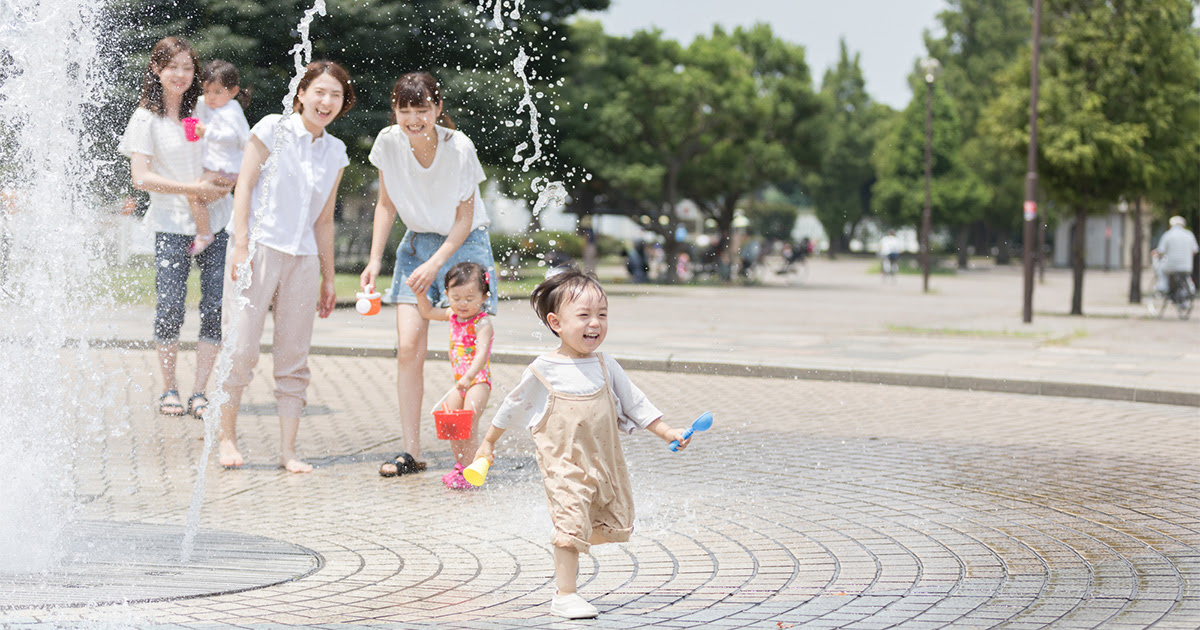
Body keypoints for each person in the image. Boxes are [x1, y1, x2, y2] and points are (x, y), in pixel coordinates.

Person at [473, 267, 689, 619]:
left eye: (602, 315)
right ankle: (565, 594)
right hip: (563, 466)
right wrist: (488, 443)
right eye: (584, 315)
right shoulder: (544, 369)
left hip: (603, 464)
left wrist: (667, 432)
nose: (595, 324)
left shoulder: (605, 365)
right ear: (556, 322)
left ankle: (567, 577)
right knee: (570, 525)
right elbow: (512, 407)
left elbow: (635, 403)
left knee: (606, 521)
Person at [215, 60, 354, 473]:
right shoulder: (272, 128)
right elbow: (244, 187)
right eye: (319, 92)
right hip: (258, 249)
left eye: (336, 95)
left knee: (294, 358)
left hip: (304, 259)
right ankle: (225, 437)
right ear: (301, 94)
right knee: (240, 350)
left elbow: (324, 221)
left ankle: (288, 451)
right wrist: (241, 246)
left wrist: (329, 277)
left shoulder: (336, 152)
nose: (326, 102)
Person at [359, 72, 498, 478]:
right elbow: (386, 205)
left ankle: (472, 458)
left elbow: (465, 219)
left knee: (471, 353)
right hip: (416, 245)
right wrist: (374, 260)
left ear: (438, 108)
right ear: (395, 110)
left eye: (422, 110)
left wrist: (436, 264)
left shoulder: (460, 148)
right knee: (408, 348)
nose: (413, 119)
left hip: (464, 247)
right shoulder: (388, 142)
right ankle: (411, 452)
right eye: (405, 110)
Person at [119, 36, 233, 420]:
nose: (181, 74)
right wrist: (191, 190)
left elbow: (233, 147)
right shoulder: (144, 119)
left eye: (187, 67)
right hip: (170, 224)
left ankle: (200, 391)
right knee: (169, 307)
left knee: (214, 307)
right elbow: (141, 177)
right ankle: (169, 387)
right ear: (156, 69)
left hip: (218, 220)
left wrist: (224, 185)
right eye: (172, 67)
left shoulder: (204, 107)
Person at [412, 261, 494, 489]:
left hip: (478, 381)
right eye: (456, 298)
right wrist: (420, 294)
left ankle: (471, 470)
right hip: (460, 383)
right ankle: (460, 465)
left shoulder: (482, 322)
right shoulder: (452, 314)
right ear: (447, 294)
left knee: (468, 424)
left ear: (484, 297)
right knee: (451, 424)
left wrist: (469, 377)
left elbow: (481, 354)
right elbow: (427, 311)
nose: (462, 304)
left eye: (469, 298)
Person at [187, 60, 251, 255]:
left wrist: (208, 132)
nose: (211, 97)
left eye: (217, 92)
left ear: (233, 91)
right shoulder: (218, 107)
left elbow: (235, 136)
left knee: (194, 195)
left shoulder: (230, 110)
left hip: (226, 170)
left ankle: (204, 234)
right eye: (207, 91)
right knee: (198, 196)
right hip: (222, 169)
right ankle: (206, 232)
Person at [1153, 215, 1199, 297]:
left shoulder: (1168, 235)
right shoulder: (1189, 235)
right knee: (1186, 277)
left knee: (1161, 269)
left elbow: (1161, 251)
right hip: (1186, 266)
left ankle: (1162, 288)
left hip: (1171, 266)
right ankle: (1189, 291)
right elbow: (1195, 250)